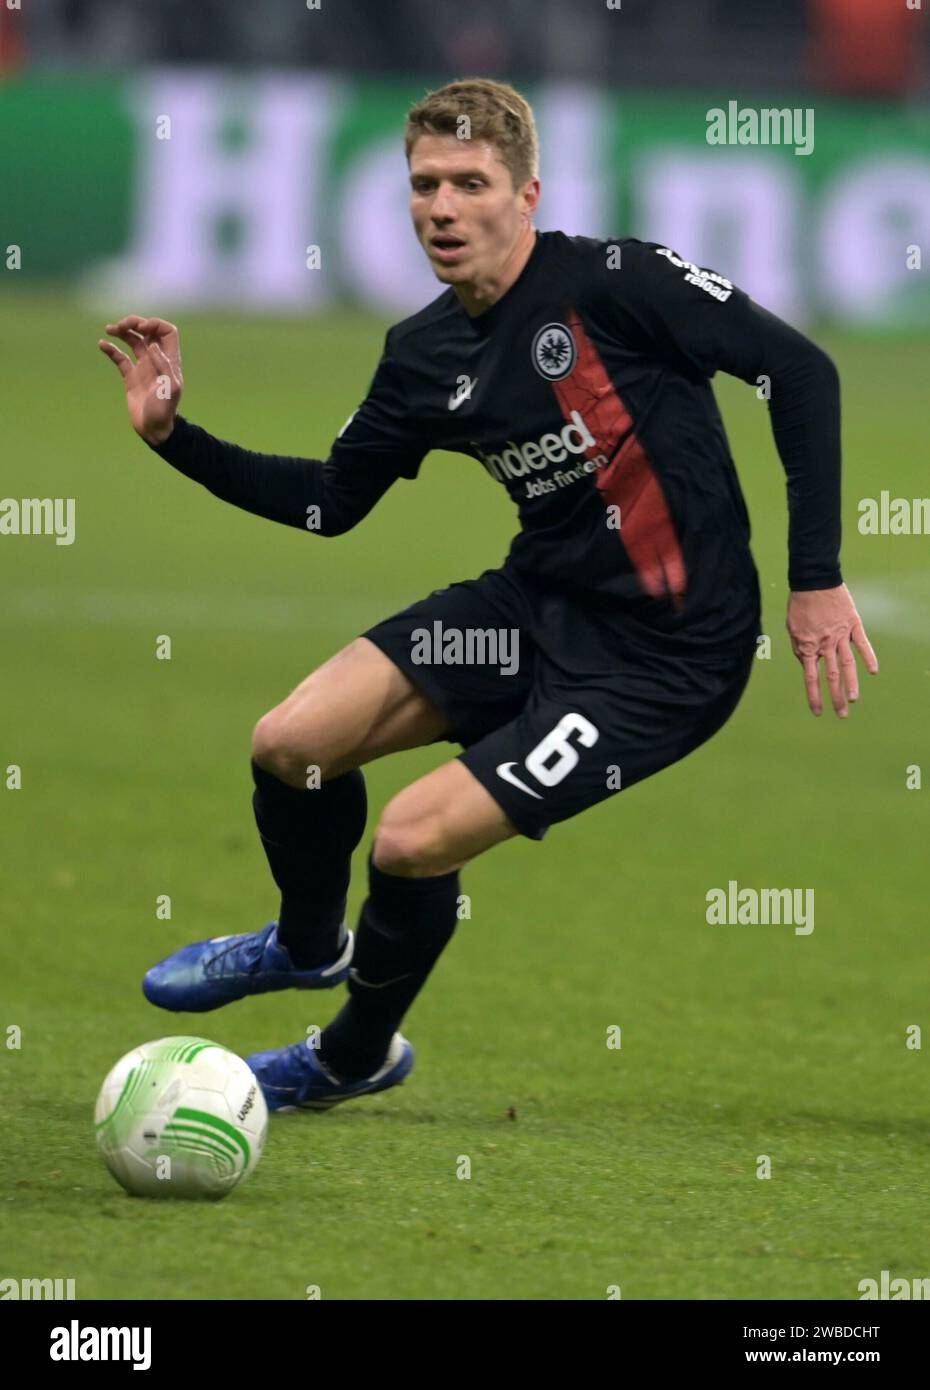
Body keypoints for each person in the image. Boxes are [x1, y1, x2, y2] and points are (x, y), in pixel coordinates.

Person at [99, 77, 878, 1112]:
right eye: (425, 184)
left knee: (413, 840)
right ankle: (304, 943)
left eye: (470, 183)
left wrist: (815, 578)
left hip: (666, 660)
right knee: (290, 744)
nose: (442, 207)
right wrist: (174, 439)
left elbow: (800, 371)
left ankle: (352, 1056)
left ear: (527, 195)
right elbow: (334, 504)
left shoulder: (616, 282)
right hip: (531, 610)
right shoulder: (422, 353)